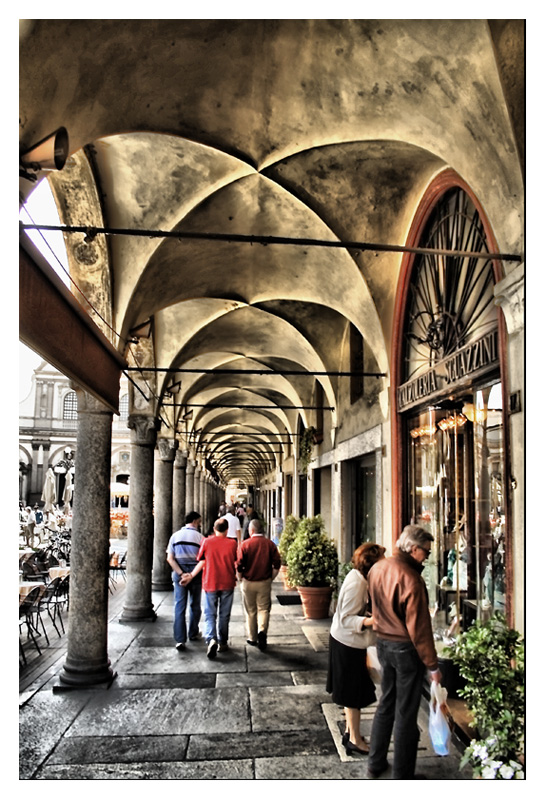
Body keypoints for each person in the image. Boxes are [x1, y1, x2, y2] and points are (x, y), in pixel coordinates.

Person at [366, 525, 442, 780]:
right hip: (406, 649)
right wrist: (433, 666)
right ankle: (403, 775)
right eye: (426, 553)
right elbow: (419, 628)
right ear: (413, 549)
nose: (427, 557)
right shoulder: (411, 578)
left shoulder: (378, 568)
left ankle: (375, 762)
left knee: (386, 702)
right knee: (406, 712)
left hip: (383, 644)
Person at [327, 542, 386, 756]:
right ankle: (354, 739)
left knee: (352, 691)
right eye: (381, 559)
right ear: (371, 563)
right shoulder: (358, 583)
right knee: (353, 694)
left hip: (348, 642)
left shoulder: (360, 578)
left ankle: (350, 732)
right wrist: (373, 621)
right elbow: (346, 618)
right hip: (347, 644)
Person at [182, 517, 238, 659]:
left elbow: (201, 558)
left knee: (210, 614)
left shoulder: (207, 542)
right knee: (224, 614)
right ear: (227, 530)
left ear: (214, 529)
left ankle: (211, 638)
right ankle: (223, 642)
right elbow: (235, 561)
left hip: (210, 582)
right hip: (227, 582)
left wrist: (192, 575)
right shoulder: (232, 543)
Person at [236, 518, 281, 650]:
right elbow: (277, 564)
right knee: (264, 609)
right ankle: (262, 632)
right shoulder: (270, 544)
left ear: (252, 530)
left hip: (248, 582)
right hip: (264, 581)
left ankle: (252, 638)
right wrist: (271, 578)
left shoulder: (244, 545)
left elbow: (239, 564)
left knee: (250, 611)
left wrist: (240, 578)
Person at [166, 511, 204, 650]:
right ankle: (193, 633)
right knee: (195, 604)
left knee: (179, 605)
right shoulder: (200, 538)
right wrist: (191, 575)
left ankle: (180, 639)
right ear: (194, 521)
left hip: (179, 573)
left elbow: (170, 558)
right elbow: (203, 559)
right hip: (195, 574)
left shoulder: (175, 536)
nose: (200, 524)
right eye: (199, 521)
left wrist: (181, 573)